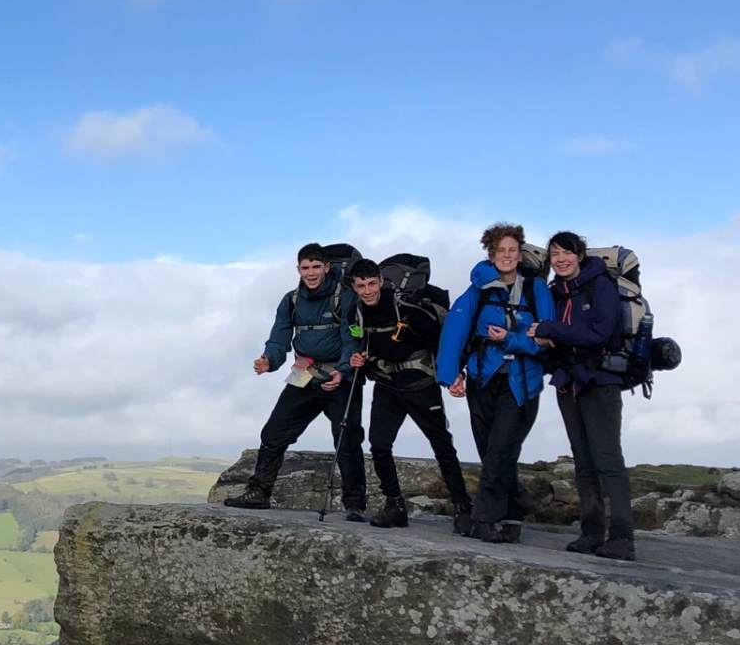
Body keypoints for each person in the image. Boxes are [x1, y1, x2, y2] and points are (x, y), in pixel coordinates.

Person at [223, 243, 367, 518]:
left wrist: (343, 371)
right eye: (305, 267)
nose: (310, 273)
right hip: (304, 374)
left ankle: (355, 504)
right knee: (274, 432)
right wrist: (269, 360)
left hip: (341, 377)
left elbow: (353, 338)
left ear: (327, 267)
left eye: (316, 267)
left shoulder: (346, 298)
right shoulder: (291, 300)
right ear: (298, 269)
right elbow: (280, 336)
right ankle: (259, 492)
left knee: (347, 439)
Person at [435, 223, 550, 542]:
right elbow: (455, 333)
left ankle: (484, 519)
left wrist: (512, 340)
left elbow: (547, 338)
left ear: (520, 252)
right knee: (492, 452)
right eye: (501, 250)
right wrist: (450, 376)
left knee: (500, 450)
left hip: (522, 382)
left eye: (513, 250)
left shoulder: (535, 289)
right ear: (491, 252)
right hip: (483, 380)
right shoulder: (477, 290)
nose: (507, 256)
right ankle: (515, 511)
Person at [345, 259, 472, 531]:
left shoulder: (407, 308)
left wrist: (455, 374)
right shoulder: (354, 313)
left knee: (442, 446)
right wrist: (359, 358)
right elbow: (359, 341)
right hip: (387, 385)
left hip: (420, 385)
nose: (368, 291)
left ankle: (463, 507)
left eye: (371, 283)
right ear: (353, 287)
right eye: (361, 286)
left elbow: (441, 342)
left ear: (380, 280)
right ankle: (395, 506)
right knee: (379, 445)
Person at [530, 231, 635, 559]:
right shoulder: (554, 292)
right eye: (554, 254)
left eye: (566, 253)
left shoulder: (600, 284)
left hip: (600, 381)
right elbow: (559, 337)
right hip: (568, 383)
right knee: (583, 462)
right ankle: (591, 533)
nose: (560, 259)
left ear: (579, 254)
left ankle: (622, 538)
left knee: (607, 460)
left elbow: (600, 332)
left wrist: (552, 331)